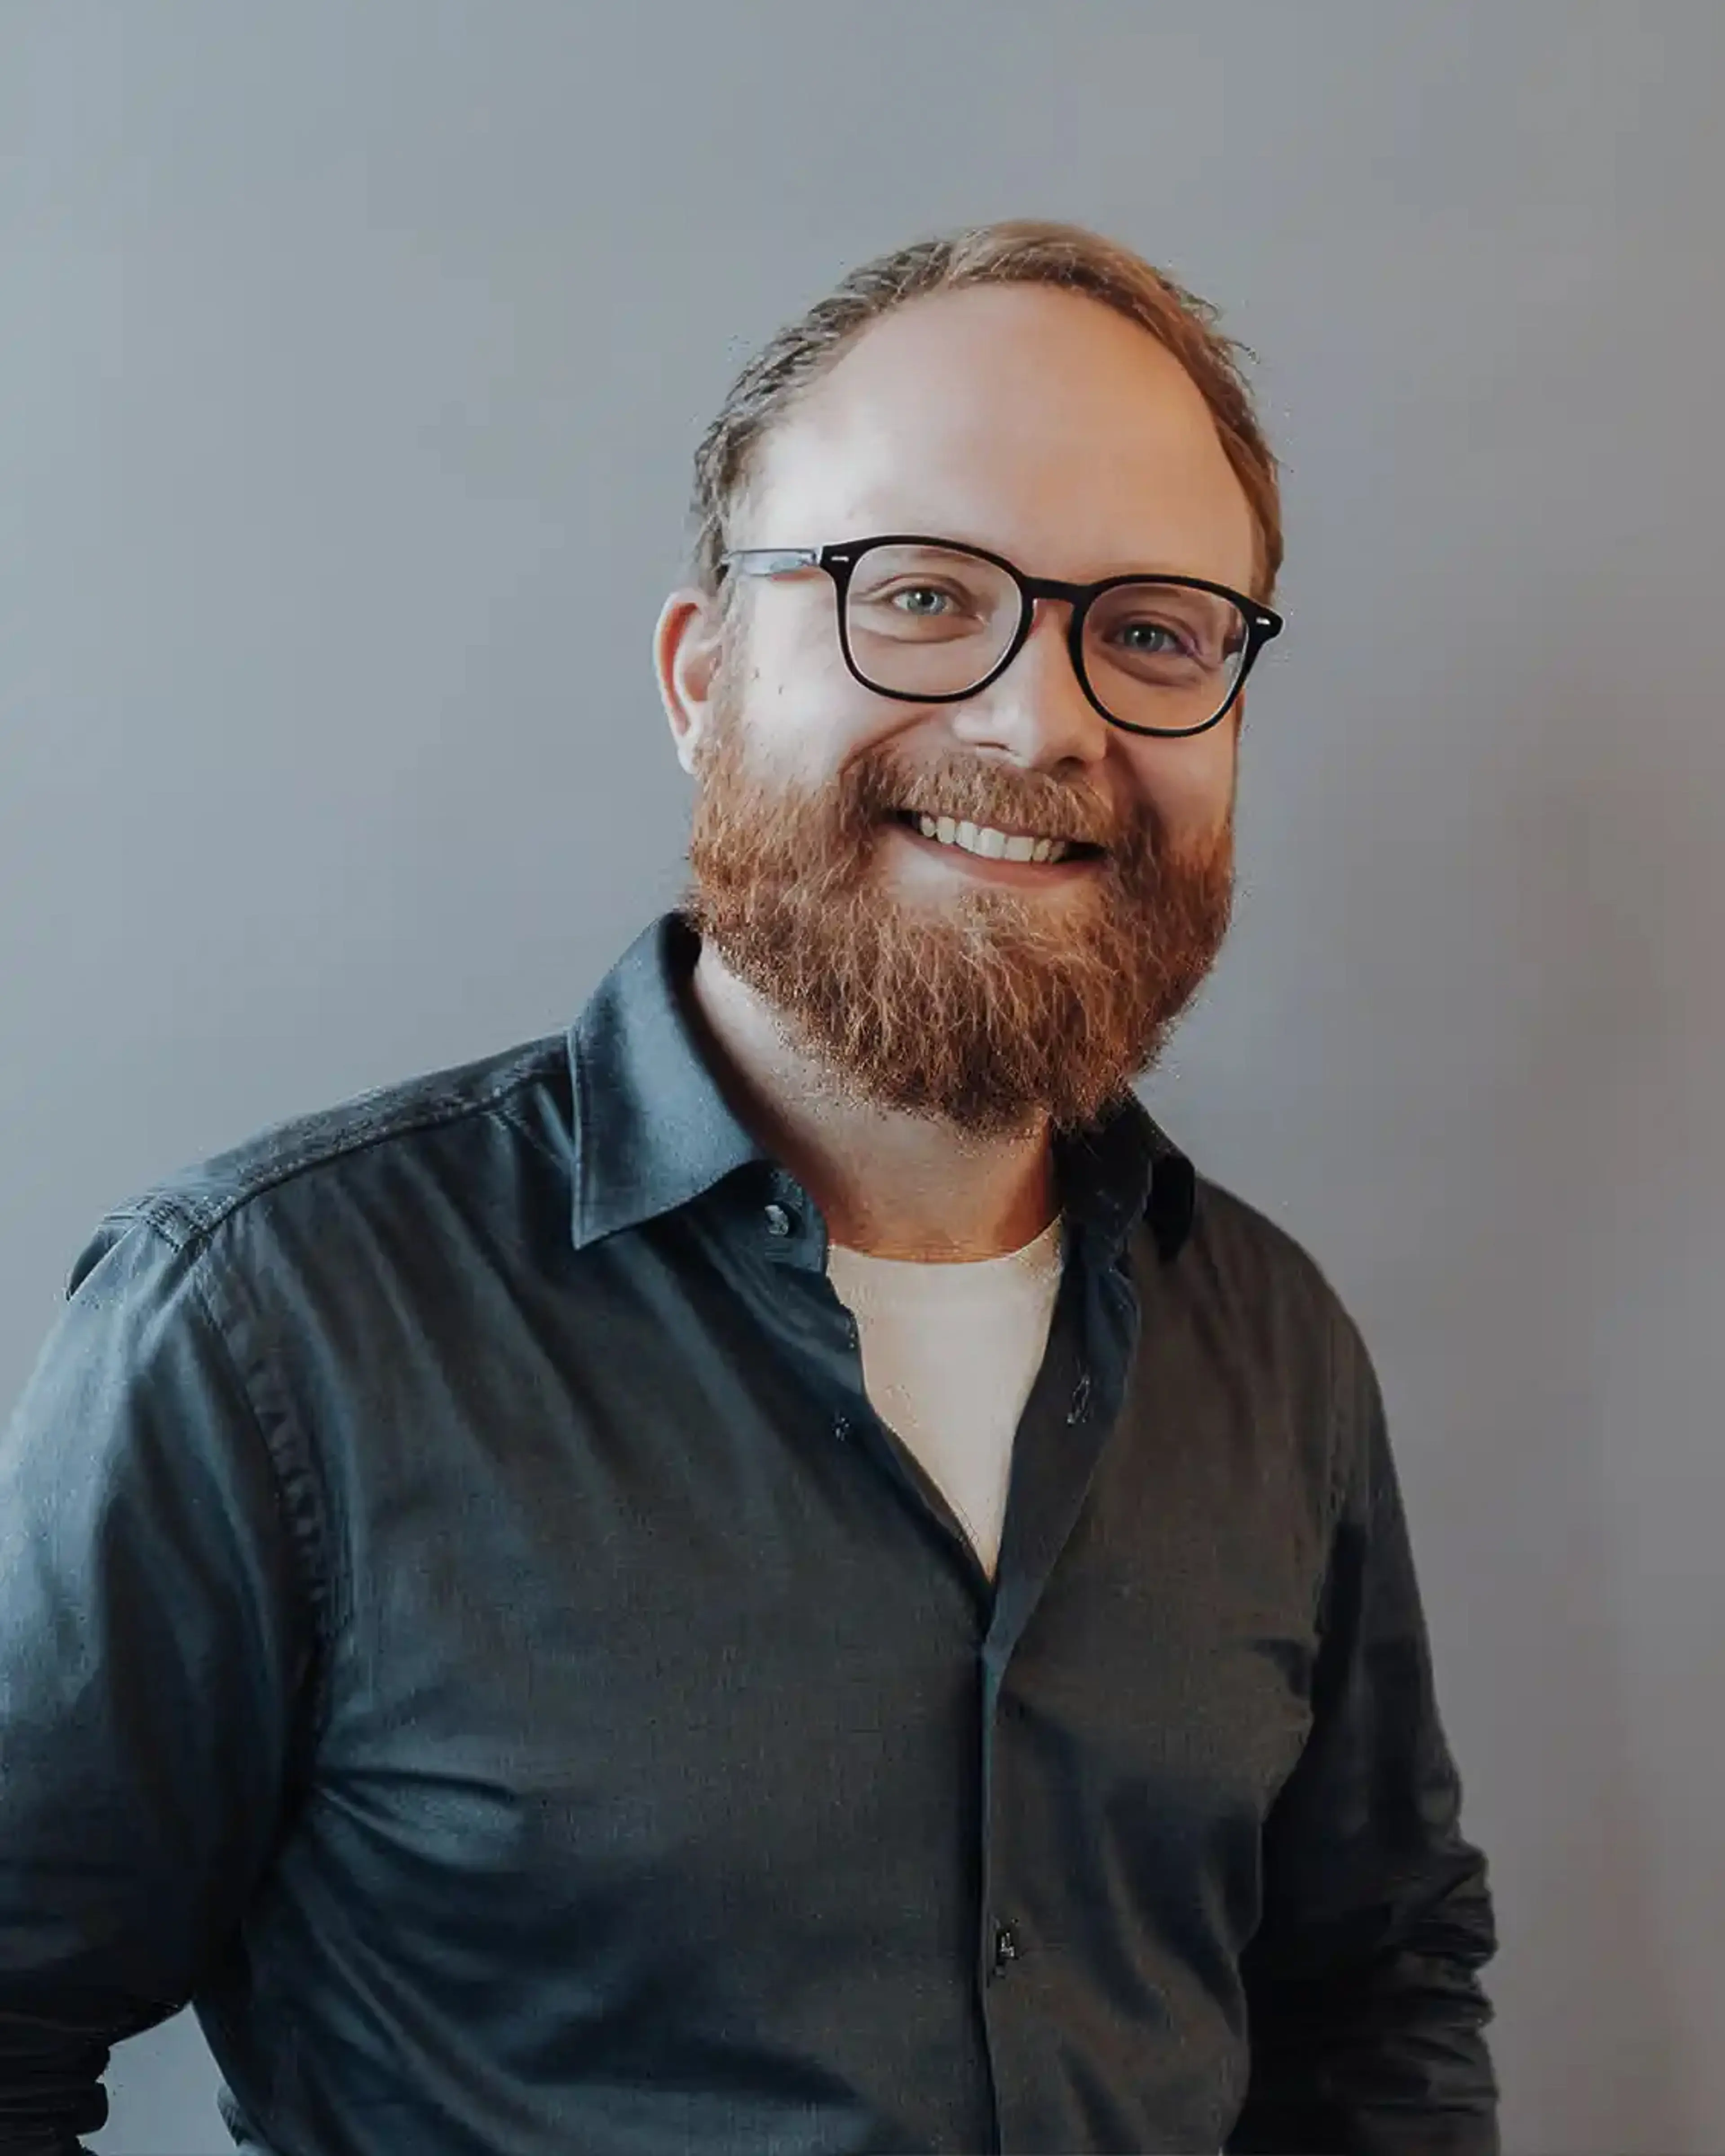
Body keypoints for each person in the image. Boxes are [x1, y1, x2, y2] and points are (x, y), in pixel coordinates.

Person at [0, 220, 1499, 2155]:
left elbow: (1376, 1991)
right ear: (703, 679)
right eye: (923, 594)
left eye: (1151, 631)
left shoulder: (1270, 1342)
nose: (1044, 721)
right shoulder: (268, 1326)